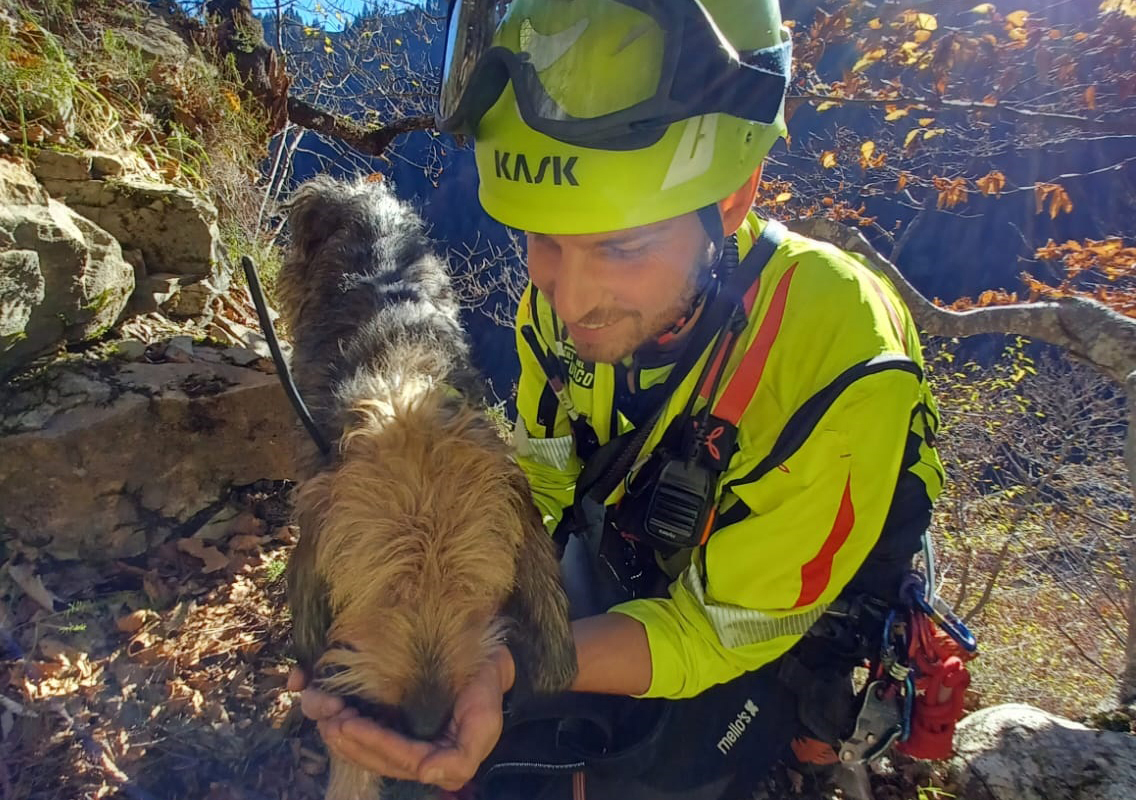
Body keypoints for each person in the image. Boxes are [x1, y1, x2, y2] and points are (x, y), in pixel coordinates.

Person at [290, 1, 948, 797]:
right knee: (476, 745)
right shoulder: (559, 312)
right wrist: (450, 604)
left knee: (645, 774)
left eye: (623, 247)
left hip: (770, 616)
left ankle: (801, 758)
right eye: (544, 238)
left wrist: (512, 668)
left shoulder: (837, 357)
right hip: (644, 547)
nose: (569, 299)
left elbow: (714, 630)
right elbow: (546, 483)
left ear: (732, 200)